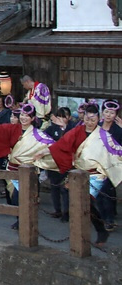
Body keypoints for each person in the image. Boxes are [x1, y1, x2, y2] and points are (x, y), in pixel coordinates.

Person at [35, 102, 122, 249]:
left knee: (85, 200)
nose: (89, 122)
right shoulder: (78, 131)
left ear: (98, 119)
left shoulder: (103, 136)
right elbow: (62, 144)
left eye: (93, 120)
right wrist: (44, 152)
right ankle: (92, 230)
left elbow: (116, 151)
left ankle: (98, 230)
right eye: (87, 119)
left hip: (96, 175)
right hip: (79, 172)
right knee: (80, 201)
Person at [0, 103, 57, 228]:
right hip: (11, 169)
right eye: (22, 115)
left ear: (32, 118)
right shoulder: (13, 129)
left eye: (27, 116)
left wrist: (43, 152)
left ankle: (25, 222)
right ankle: (19, 219)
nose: (24, 118)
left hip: (26, 171)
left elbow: (53, 146)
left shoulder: (38, 134)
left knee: (22, 198)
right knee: (13, 200)